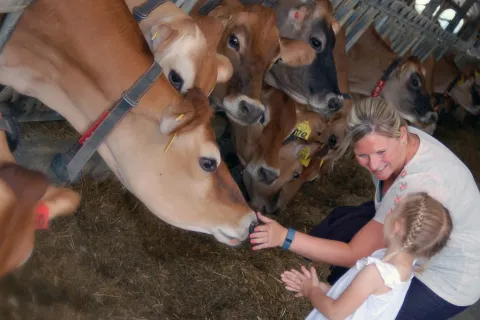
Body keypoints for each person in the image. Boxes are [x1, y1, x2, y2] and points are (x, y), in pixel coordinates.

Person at [249, 97, 480, 319]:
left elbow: (354, 255)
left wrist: (284, 237)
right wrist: (330, 290)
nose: (375, 165)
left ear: (401, 134)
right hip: (415, 251)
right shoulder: (393, 139)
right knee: (342, 224)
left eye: (381, 153)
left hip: (449, 277)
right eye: (363, 155)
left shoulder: (421, 184)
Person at [280, 192, 453, 320]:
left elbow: (336, 313)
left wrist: (311, 291)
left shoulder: (376, 272)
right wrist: (323, 289)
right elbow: (359, 303)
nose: (388, 213)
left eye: (393, 210)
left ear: (397, 226)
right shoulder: (403, 270)